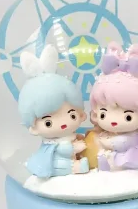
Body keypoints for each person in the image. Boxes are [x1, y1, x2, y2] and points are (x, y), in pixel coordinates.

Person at [89, 41, 138, 171]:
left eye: (128, 116)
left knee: (120, 160)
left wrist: (105, 141)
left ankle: (110, 166)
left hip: (131, 156)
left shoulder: (133, 136)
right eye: (103, 114)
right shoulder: (106, 132)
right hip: (110, 158)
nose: (113, 121)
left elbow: (122, 143)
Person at [18, 45, 89, 178]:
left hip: (69, 157)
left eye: (72, 115)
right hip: (55, 162)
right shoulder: (53, 143)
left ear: (81, 114)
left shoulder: (68, 136)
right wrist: (74, 148)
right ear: (34, 128)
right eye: (48, 123)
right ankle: (75, 167)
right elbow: (63, 150)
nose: (63, 124)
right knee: (60, 164)